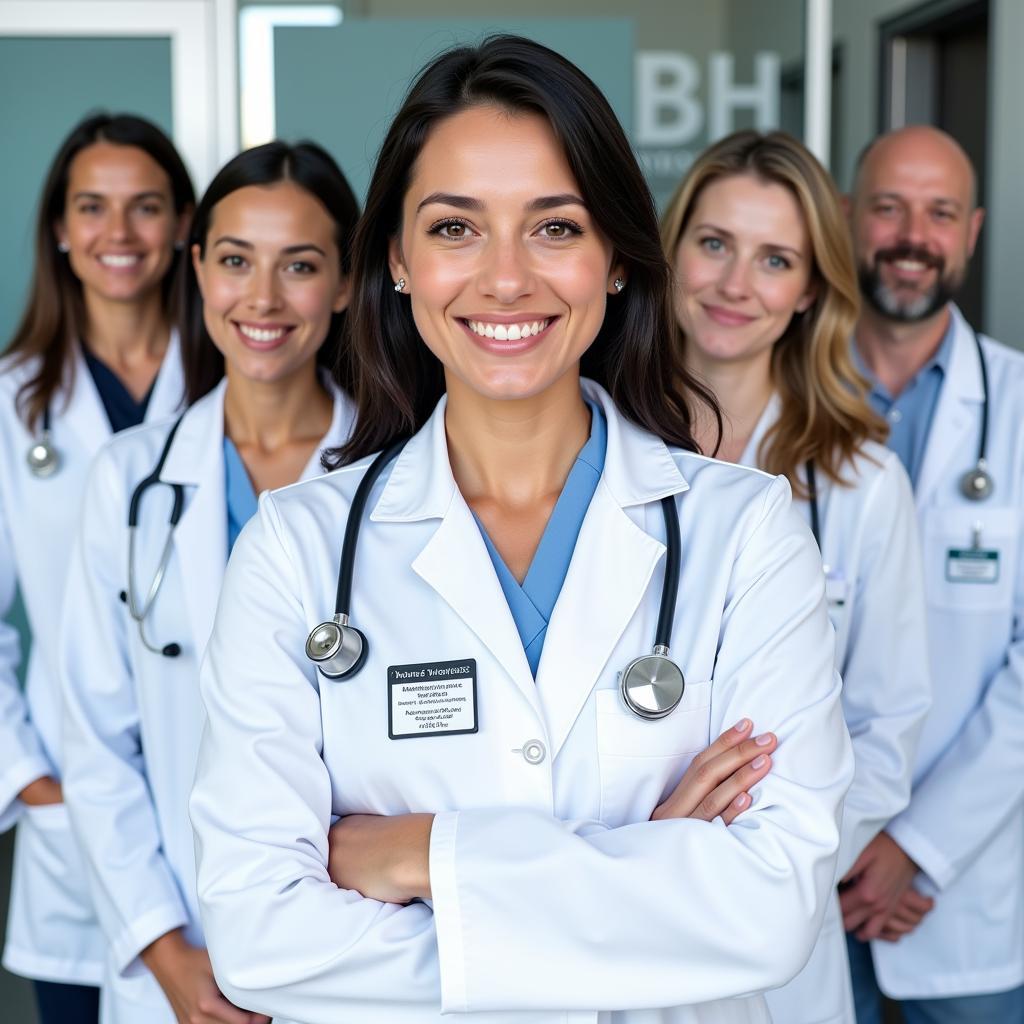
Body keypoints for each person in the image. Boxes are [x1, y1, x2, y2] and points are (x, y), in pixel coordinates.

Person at [189, 35, 853, 1023]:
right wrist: (646, 867)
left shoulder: (744, 532)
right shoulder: (296, 553)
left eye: (553, 228)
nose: (505, 280)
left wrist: (419, 854)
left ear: (618, 260)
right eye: (455, 229)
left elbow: (769, 909)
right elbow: (256, 938)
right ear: (399, 263)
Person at [57, 141, 360, 1024]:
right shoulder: (130, 478)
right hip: (183, 956)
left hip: (356, 946)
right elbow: (97, 741)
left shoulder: (402, 478)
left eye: (299, 266)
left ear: (345, 283)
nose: (262, 299)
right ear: (198, 270)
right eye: (235, 262)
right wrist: (168, 954)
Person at [660, 130, 931, 1024]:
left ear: (811, 288)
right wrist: (652, 846)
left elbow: (887, 728)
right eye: (714, 244)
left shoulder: (862, 484)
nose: (736, 285)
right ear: (672, 251)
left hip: (779, 932)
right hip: (625, 906)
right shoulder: (586, 450)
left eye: (774, 259)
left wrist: (765, 848)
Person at [0, 112, 193, 1023]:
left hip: (216, 803)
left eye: (146, 207)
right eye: (93, 208)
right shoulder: (11, 406)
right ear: (60, 232)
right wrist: (38, 785)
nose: (119, 234)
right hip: (73, 821)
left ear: (186, 226)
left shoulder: (241, 385)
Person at [840, 124, 1024, 1023]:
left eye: (940, 213)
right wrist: (848, 840)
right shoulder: (779, 408)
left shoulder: (1022, 409)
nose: (913, 236)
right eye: (889, 207)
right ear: (845, 219)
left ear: (972, 232)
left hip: (964, 893)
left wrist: (915, 845)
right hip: (811, 877)